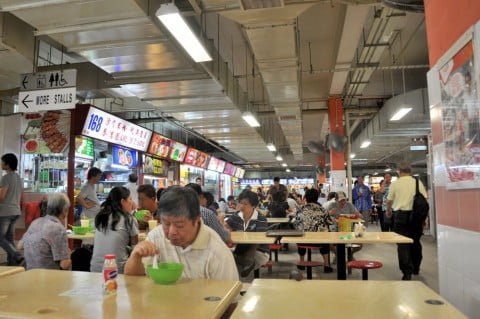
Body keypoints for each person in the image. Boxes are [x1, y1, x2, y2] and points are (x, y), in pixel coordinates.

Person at [124, 186, 238, 281]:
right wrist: (136, 256)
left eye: (179, 225)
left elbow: (230, 301)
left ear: (196, 220)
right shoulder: (156, 237)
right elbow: (133, 281)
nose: (172, 232)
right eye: (166, 223)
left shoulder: (217, 252)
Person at [386, 162, 427, 281]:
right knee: (415, 242)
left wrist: (388, 211)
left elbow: (389, 200)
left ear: (399, 171)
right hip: (416, 216)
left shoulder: (395, 184)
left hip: (400, 216)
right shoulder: (417, 183)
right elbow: (424, 200)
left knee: (402, 244)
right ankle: (416, 267)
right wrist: (423, 219)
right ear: (410, 171)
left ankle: (407, 272)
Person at [90, 187, 139, 274]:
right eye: (130, 199)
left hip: (95, 268)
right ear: (123, 202)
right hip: (117, 270)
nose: (132, 202)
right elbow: (135, 245)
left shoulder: (100, 217)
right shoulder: (129, 219)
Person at [22, 193, 71, 270]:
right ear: (64, 211)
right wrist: (69, 254)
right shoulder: (59, 229)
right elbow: (64, 265)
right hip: (49, 277)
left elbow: (20, 245)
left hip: (30, 274)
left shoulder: (35, 222)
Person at [225, 190, 269, 277]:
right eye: (240, 203)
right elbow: (226, 227)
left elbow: (260, 239)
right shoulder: (236, 216)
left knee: (233, 264)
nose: (242, 206)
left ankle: (245, 265)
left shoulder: (261, 219)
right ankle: (246, 264)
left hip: (259, 251)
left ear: (253, 205)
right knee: (226, 259)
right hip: (240, 249)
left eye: (245, 204)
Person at [293, 188, 334, 273]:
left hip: (303, 240)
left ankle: (302, 262)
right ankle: (326, 265)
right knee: (324, 237)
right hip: (319, 240)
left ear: (306, 198)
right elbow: (330, 222)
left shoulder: (300, 209)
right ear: (317, 198)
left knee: (300, 234)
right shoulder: (322, 210)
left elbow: (296, 224)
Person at [0, 153, 24, 266]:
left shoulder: (6, 178)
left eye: (2, 162)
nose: (1, 164)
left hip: (6, 212)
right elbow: (21, 196)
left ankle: (17, 255)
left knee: (1, 238)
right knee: (9, 239)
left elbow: (1, 197)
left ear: (7, 165)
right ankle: (12, 263)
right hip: (16, 211)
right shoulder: (19, 178)